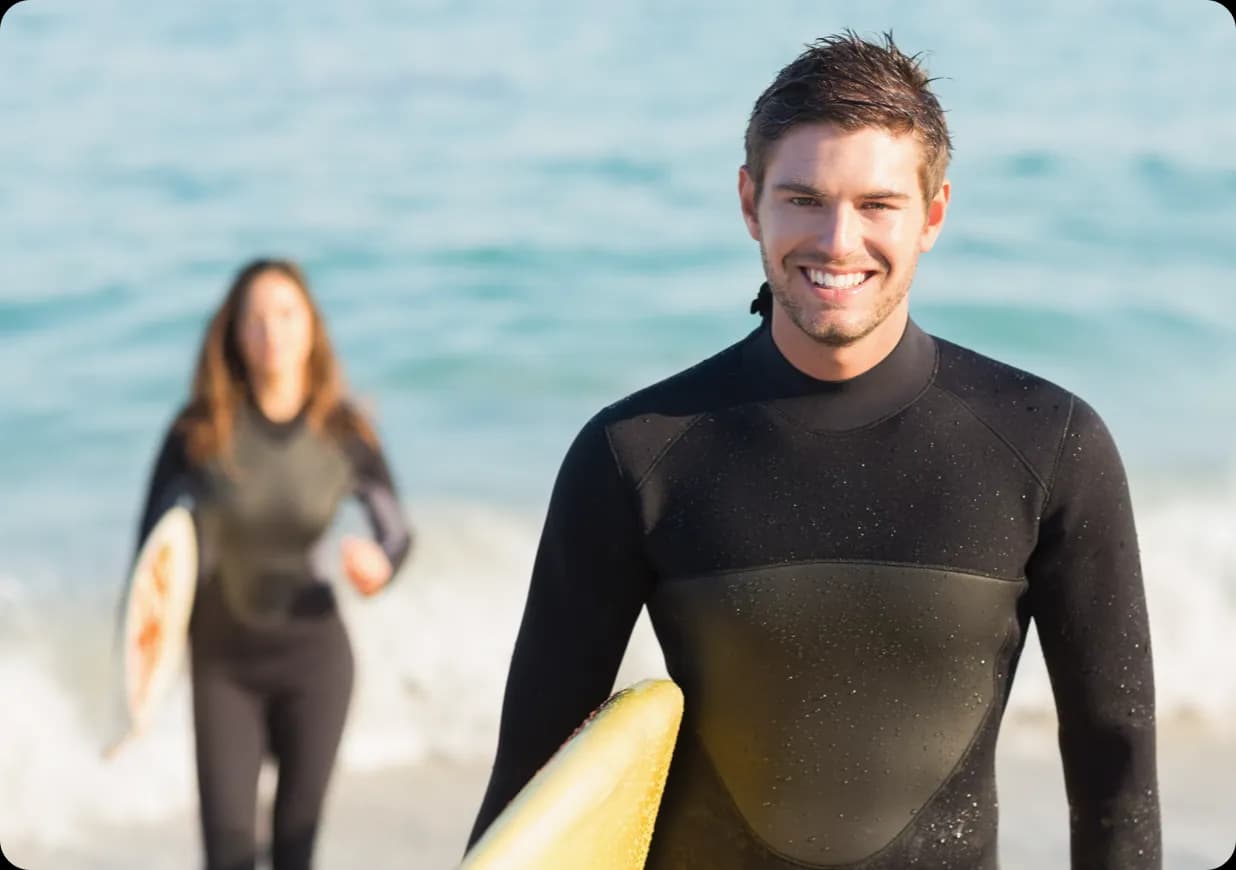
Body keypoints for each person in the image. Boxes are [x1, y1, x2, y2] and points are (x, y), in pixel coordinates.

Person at [468, 32, 1160, 869]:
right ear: (748, 200)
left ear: (933, 214)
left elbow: (1116, 773)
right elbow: (531, 791)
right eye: (802, 199)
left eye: (877, 204)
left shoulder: (1048, 445)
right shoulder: (635, 454)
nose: (837, 241)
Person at [133, 258, 412, 870]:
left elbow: (396, 535)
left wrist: (380, 565)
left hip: (316, 663)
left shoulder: (344, 430)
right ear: (232, 333)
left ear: (312, 325)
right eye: (255, 318)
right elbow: (148, 560)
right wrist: (136, 680)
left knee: (295, 850)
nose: (271, 331)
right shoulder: (197, 431)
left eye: (286, 314)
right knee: (228, 854)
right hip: (223, 667)